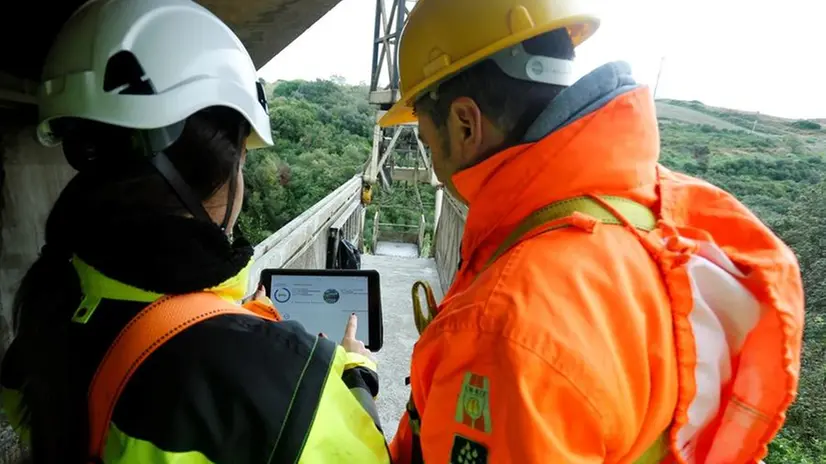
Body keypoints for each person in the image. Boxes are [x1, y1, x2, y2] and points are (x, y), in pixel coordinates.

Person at [382, 1, 805, 463]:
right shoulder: (660, 209)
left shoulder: (505, 321)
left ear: (465, 123)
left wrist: (358, 386)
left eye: (427, 141)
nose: (437, 168)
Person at [0, 0, 390, 463]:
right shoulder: (288, 388)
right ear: (228, 166)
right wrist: (357, 376)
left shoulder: (51, 310)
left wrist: (223, 320)